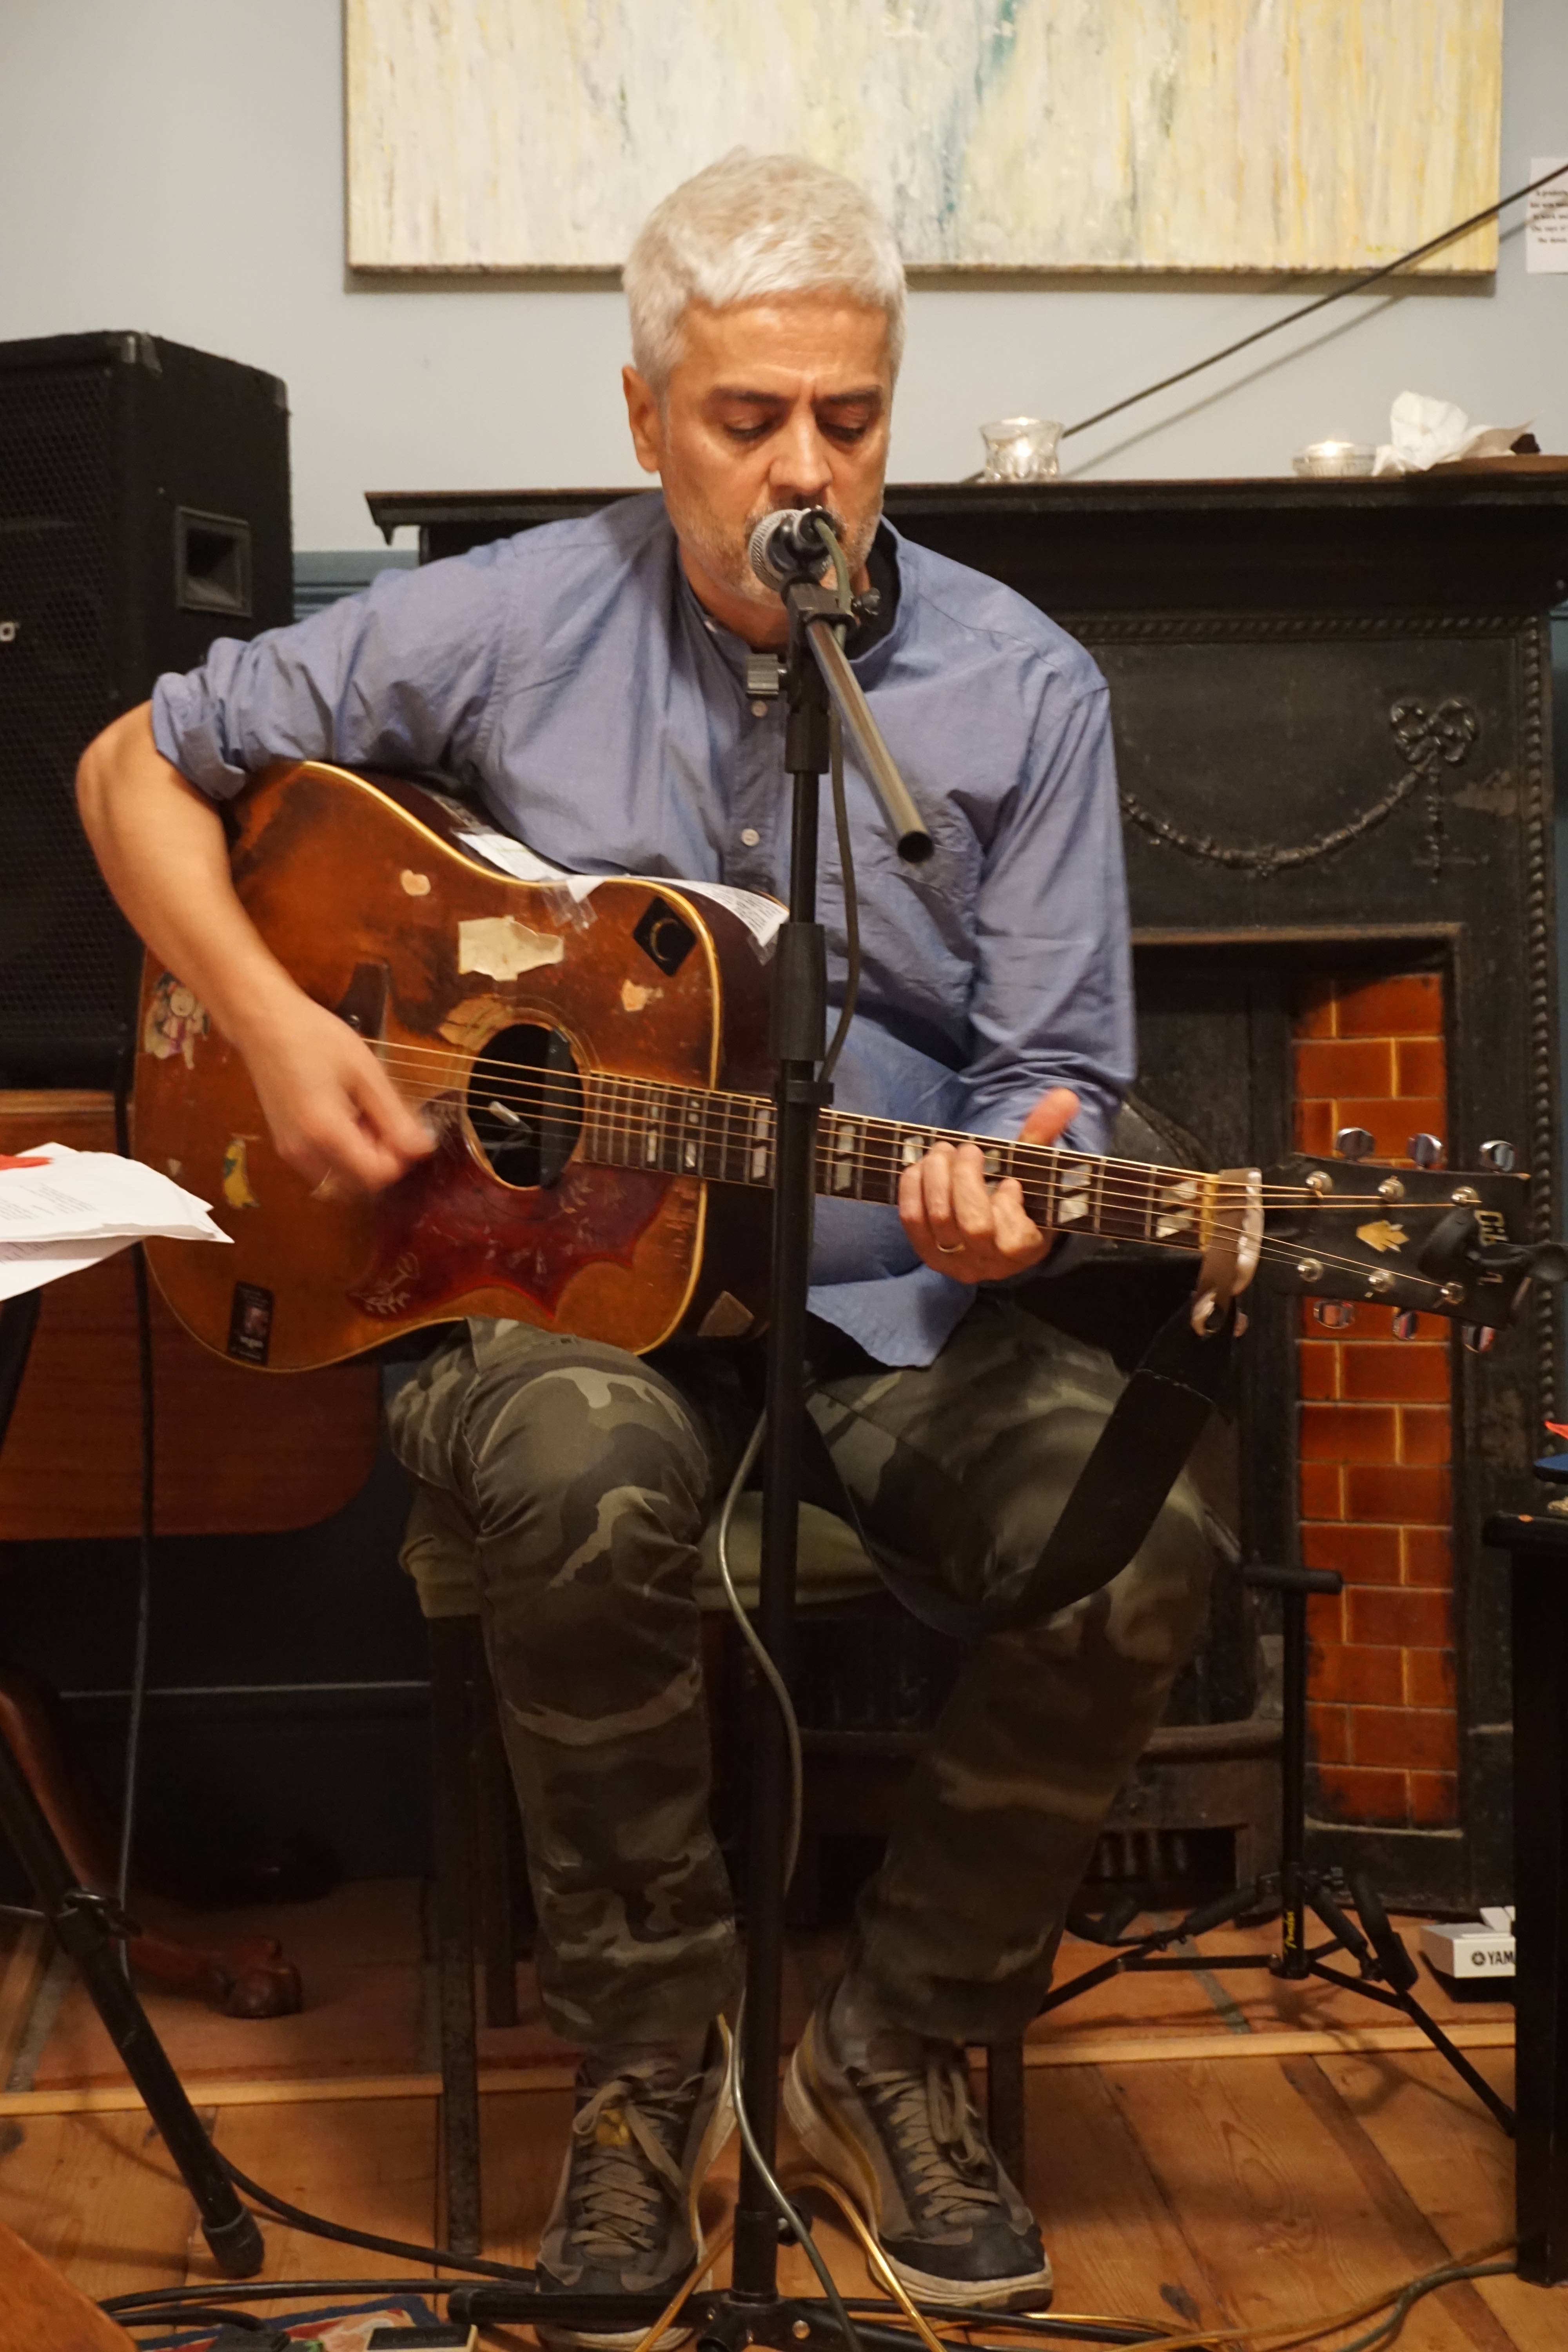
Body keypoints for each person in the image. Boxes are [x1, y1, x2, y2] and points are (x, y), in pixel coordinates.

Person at [78, 152, 1213, 2334]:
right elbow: (136, 767)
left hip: (884, 1301)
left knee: (1140, 1545)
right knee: (582, 1484)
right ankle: (648, 2070)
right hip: (544, 1296)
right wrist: (274, 1028)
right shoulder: (506, 616)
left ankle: (890, 2043)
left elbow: (1054, 1082)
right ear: (643, 415)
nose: (806, 473)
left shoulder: (1024, 687)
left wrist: (1010, 1195)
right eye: (746, 419)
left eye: (849, 422)